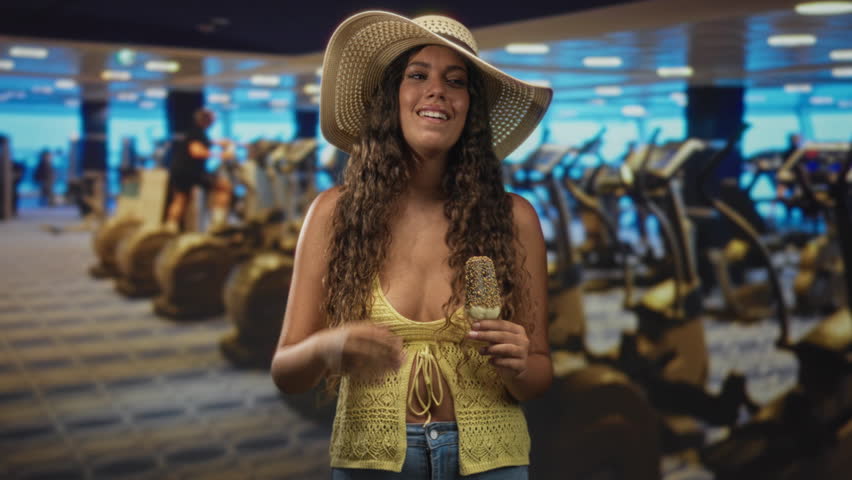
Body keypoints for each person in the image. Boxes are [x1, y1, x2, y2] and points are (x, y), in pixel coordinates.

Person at [270, 11, 553, 479]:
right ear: (390, 99)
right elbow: (286, 372)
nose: (437, 90)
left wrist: (520, 365)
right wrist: (327, 346)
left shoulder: (514, 218)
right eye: (416, 75)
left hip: (492, 460)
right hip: (372, 460)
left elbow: (539, 378)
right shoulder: (334, 214)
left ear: (470, 108)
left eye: (455, 81)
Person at [164, 108, 234, 232]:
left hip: (179, 170)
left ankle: (169, 228)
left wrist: (219, 143)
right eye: (213, 120)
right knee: (224, 187)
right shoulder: (198, 133)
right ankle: (218, 224)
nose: (214, 122)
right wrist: (222, 155)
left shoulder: (193, 132)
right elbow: (196, 151)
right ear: (207, 120)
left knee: (181, 198)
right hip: (191, 172)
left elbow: (201, 142)